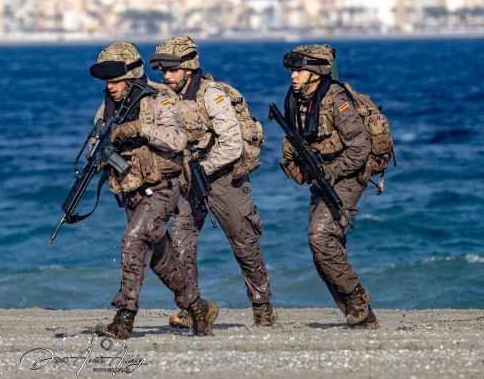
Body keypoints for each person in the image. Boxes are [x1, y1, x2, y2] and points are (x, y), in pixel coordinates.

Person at [89, 42, 215, 339]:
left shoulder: (159, 98)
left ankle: (124, 317)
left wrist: (140, 129)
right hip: (131, 190)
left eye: (115, 80)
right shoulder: (107, 108)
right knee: (161, 259)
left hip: (162, 187)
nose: (110, 87)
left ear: (132, 77)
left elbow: (176, 139)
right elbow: (97, 142)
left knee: (133, 240)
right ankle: (198, 308)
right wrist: (98, 157)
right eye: (106, 81)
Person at [150, 37, 277, 328]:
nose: (166, 76)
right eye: (163, 71)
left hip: (223, 178)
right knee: (181, 245)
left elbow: (231, 145)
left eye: (172, 70)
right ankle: (191, 308)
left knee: (244, 243)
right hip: (186, 178)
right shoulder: (164, 97)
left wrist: (202, 169)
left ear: (189, 68)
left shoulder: (212, 95)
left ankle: (262, 305)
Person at [278, 44, 378, 329]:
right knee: (321, 249)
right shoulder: (296, 100)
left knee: (320, 238)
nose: (293, 77)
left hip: (346, 178)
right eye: (292, 71)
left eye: (299, 71)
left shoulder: (337, 100)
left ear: (317, 72)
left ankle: (358, 299)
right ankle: (360, 316)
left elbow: (360, 148)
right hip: (322, 179)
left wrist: (330, 171)